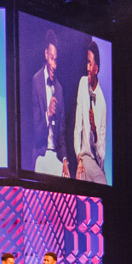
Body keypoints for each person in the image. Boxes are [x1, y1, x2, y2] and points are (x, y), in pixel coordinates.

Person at [30, 29, 69, 177]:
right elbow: (35, 134)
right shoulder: (36, 81)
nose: (54, 65)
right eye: (51, 58)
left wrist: (65, 159)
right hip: (41, 155)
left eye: (56, 60)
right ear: (46, 54)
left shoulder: (59, 88)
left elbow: (61, 133)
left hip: (56, 157)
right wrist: (48, 114)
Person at [73, 41, 107, 183]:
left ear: (96, 69)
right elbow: (77, 128)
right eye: (86, 63)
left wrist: (94, 131)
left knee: (103, 182)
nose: (87, 67)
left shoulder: (102, 103)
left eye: (90, 64)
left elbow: (102, 156)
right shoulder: (82, 84)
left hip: (97, 165)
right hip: (85, 158)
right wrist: (79, 157)